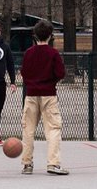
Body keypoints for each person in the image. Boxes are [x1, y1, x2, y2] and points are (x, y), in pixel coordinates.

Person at [20, 19, 68, 176]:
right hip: (48, 94)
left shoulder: (28, 53)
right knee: (53, 128)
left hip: (31, 94)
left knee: (28, 129)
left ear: (34, 35)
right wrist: (50, 81)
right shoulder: (53, 53)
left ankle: (27, 163)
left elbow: (24, 73)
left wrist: (32, 83)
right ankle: (53, 163)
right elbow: (60, 73)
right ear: (50, 36)